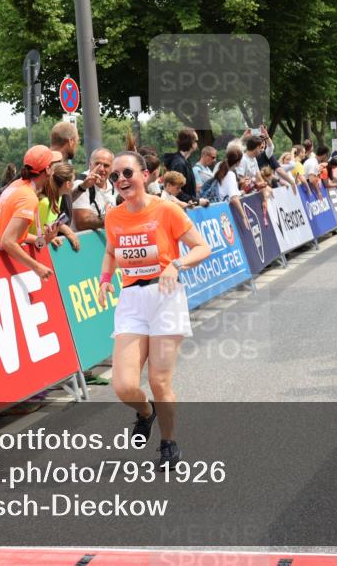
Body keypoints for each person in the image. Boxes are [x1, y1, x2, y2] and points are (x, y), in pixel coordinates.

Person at [97, 151, 211, 468]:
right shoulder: (113, 216)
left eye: (127, 173)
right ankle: (146, 412)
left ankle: (169, 443)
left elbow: (202, 247)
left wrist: (176, 264)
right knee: (123, 385)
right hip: (132, 300)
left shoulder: (166, 210)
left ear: (144, 175)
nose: (120, 180)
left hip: (165, 297)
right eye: (114, 176)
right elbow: (110, 250)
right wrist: (105, 278)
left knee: (160, 381)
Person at [0, 145, 62, 279]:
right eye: (53, 164)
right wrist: (37, 267)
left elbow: (16, 234)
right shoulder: (28, 197)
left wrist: (44, 240)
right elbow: (8, 242)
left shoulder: (17, 185)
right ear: (47, 170)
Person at [36, 162, 81, 252]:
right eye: (74, 180)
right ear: (68, 184)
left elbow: (52, 221)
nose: (74, 183)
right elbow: (34, 235)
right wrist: (47, 239)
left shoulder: (59, 197)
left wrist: (65, 230)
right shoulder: (44, 203)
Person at [73, 147, 116, 231]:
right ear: (90, 164)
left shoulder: (114, 184)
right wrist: (112, 217)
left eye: (106, 165)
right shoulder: (80, 184)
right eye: (97, 164)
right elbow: (82, 223)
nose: (101, 169)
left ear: (112, 167)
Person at [161, 128, 200, 204]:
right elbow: (176, 191)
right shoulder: (179, 163)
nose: (197, 143)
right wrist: (197, 201)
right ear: (191, 143)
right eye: (196, 141)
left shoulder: (184, 161)